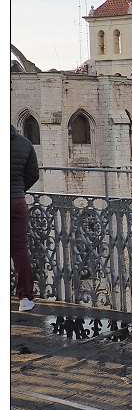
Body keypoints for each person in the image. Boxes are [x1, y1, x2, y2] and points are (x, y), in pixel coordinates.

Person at [11, 124, 39, 311]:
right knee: (20, 250)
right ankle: (26, 299)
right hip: (15, 201)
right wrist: (18, 190)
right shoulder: (25, 142)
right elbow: (33, 174)